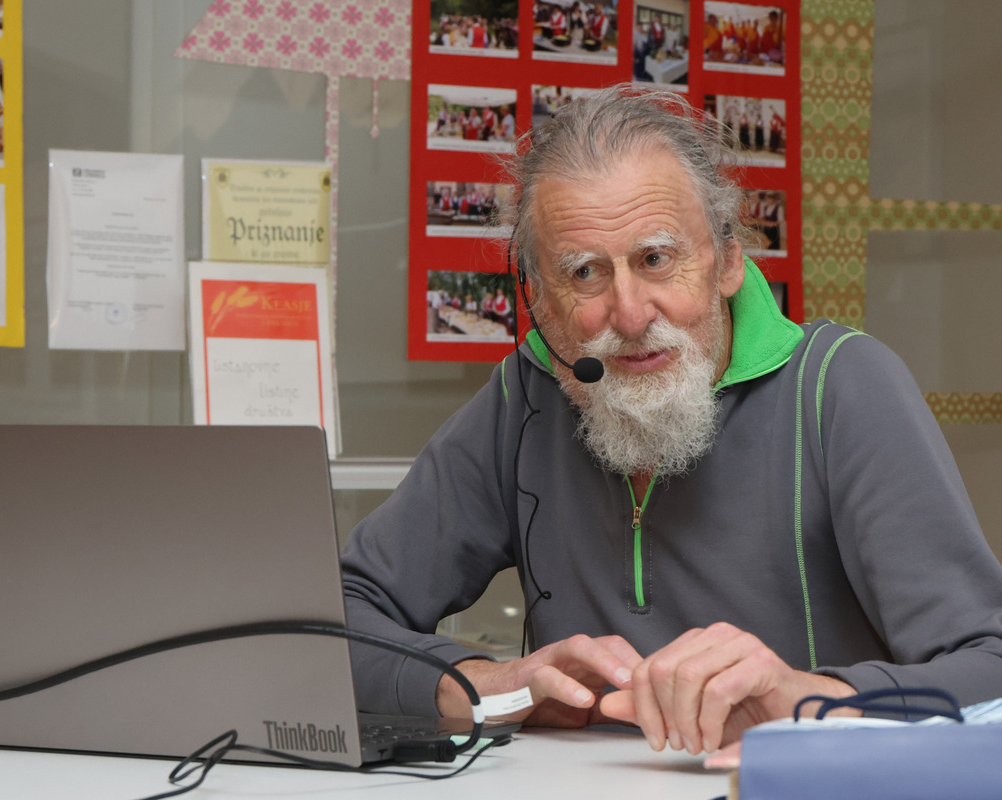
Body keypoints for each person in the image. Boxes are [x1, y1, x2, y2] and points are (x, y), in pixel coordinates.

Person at [341, 85, 1002, 758]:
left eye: (656, 259)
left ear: (729, 259)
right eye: (585, 273)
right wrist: (486, 685)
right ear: (539, 300)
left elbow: (991, 665)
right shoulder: (525, 397)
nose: (630, 316)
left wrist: (808, 703)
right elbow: (335, 615)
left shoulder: (842, 385)